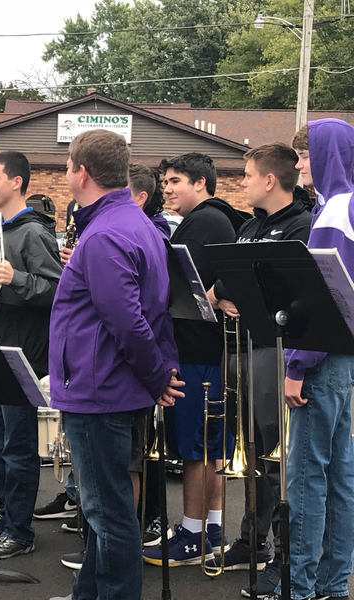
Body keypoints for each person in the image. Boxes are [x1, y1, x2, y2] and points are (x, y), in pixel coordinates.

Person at [48, 130, 182, 600]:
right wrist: (158, 372)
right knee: (103, 510)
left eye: (68, 165)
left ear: (81, 172)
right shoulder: (134, 222)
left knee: (109, 514)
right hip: (112, 384)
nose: (67, 173)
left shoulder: (105, 233)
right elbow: (152, 311)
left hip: (100, 388)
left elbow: (127, 320)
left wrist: (157, 374)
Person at [197, 144, 311, 592]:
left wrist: (235, 290)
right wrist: (227, 291)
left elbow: (274, 282)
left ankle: (285, 556)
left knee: (277, 457)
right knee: (250, 451)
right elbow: (226, 278)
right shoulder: (250, 226)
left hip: (274, 350)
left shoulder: (301, 224)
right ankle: (252, 539)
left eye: (246, 175)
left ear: (269, 179)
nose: (241, 182)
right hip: (241, 347)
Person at [142, 152, 248, 568]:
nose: (166, 189)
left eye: (175, 181)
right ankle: (212, 527)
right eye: (164, 182)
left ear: (200, 183)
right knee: (209, 447)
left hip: (198, 352)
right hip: (207, 351)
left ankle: (192, 533)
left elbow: (189, 288)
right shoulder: (211, 219)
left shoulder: (205, 221)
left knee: (196, 448)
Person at [266, 119, 354, 600]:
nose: (300, 165)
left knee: (305, 478)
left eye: (305, 155)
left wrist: (297, 365)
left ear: (327, 155)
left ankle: (297, 587)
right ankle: (333, 584)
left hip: (320, 359)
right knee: (340, 478)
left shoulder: (335, 212)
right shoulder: (347, 205)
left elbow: (323, 298)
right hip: (343, 360)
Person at [0, 151, 61, 559]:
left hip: (21, 354)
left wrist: (15, 277)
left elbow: (57, 289)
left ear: (16, 182)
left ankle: (20, 530)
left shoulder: (33, 233)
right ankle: (5, 521)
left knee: (18, 450)